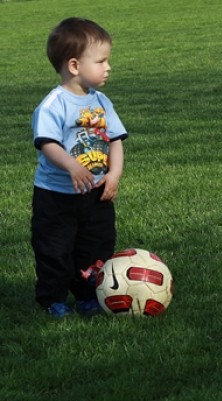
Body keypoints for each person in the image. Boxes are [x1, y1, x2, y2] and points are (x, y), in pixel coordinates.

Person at [31, 17, 128, 317]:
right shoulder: (53, 105)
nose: (108, 67)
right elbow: (47, 143)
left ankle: (88, 294)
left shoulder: (102, 102)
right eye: (101, 61)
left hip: (95, 193)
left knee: (96, 247)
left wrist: (113, 174)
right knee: (55, 250)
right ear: (74, 66)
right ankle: (54, 299)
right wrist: (72, 166)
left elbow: (116, 140)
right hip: (57, 196)